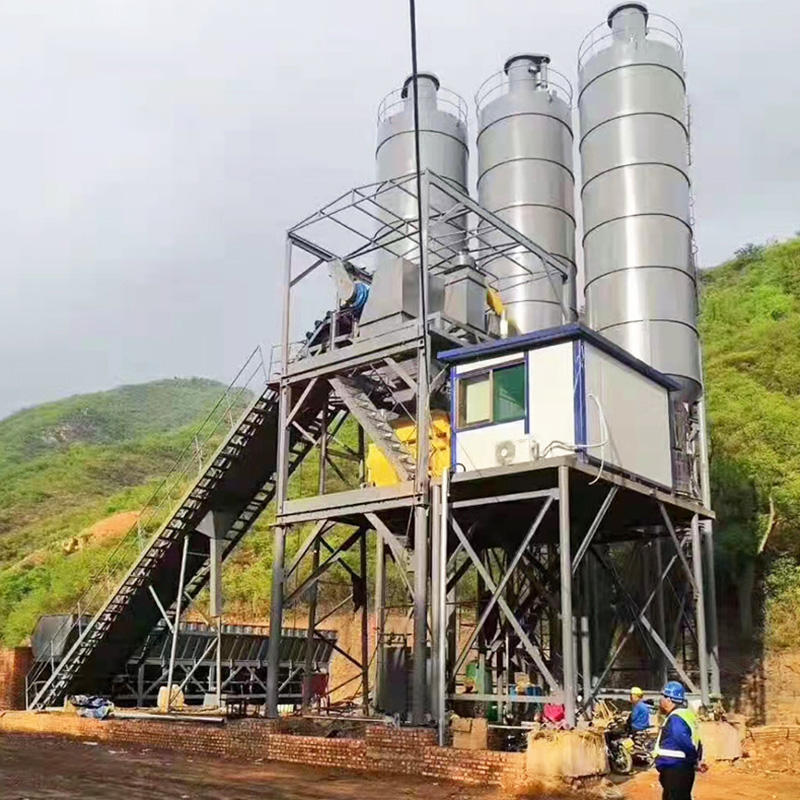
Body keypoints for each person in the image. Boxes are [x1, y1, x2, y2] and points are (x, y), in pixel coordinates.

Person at [654, 681, 707, 800]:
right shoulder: (685, 714)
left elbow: (683, 741)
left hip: (676, 769)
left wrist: (694, 759)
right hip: (680, 768)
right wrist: (697, 759)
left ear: (669, 700)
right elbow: (696, 741)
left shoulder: (676, 718)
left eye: (663, 697)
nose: (661, 700)